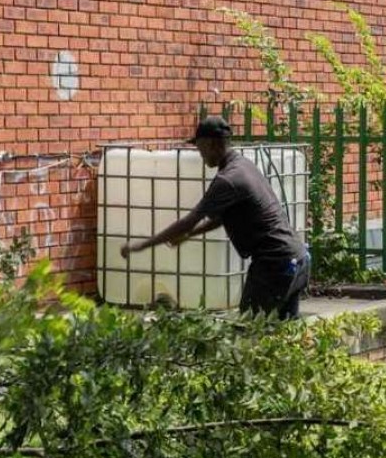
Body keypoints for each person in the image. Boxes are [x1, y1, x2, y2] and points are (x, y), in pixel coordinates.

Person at [121, 116, 310, 319]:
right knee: (282, 335)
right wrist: (189, 235)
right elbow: (222, 218)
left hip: (275, 265)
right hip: (297, 257)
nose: (200, 154)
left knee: (250, 330)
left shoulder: (228, 179)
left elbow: (189, 220)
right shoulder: (243, 165)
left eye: (200, 147)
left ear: (211, 144)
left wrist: (142, 245)